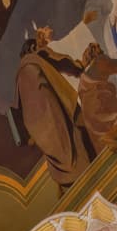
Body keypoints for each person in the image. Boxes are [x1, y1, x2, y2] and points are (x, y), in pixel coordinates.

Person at [13, 25, 91, 186]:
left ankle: (70, 172)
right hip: (54, 112)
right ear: (33, 47)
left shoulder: (19, 80)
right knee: (77, 129)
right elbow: (60, 60)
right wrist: (80, 67)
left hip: (40, 128)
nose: (46, 43)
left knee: (59, 145)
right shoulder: (36, 57)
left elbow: (19, 113)